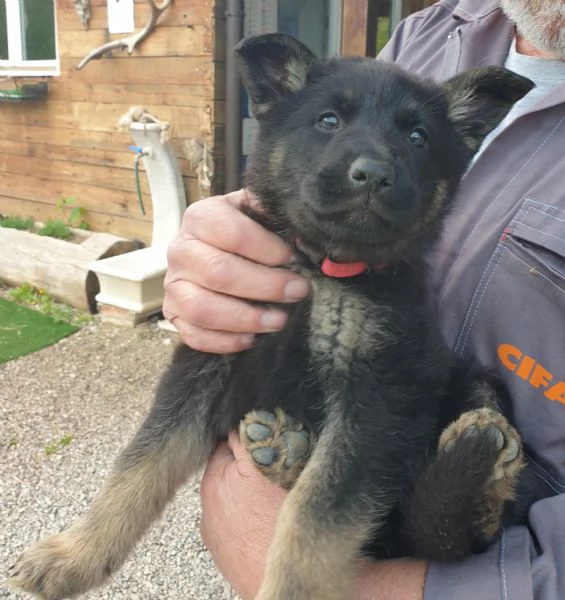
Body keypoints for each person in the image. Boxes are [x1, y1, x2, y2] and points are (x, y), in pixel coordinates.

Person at [163, 0, 565, 598]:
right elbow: (311, 171)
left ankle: (468, 488)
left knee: (468, 443)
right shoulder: (426, 34)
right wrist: (223, 254)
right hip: (320, 444)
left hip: (451, 547)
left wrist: (345, 584)